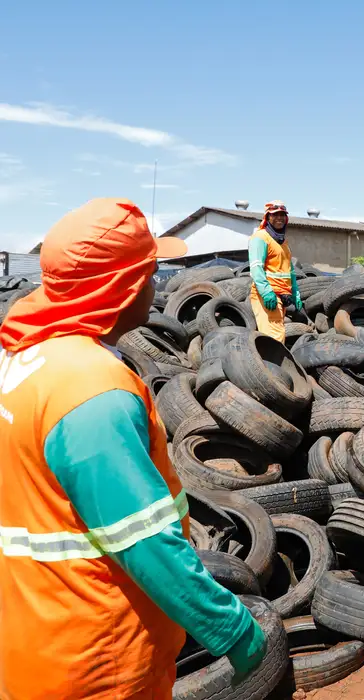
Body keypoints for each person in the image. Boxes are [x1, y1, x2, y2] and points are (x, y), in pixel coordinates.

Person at [0, 198, 267, 698]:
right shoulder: (91, 390)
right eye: (148, 272)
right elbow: (141, 539)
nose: (154, 283)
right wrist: (231, 628)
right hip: (101, 657)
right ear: (120, 288)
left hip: (34, 638)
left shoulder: (25, 360)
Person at [249, 200, 302, 341]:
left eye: (282, 214)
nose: (280, 217)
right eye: (275, 214)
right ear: (267, 217)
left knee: (275, 336)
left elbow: (289, 271)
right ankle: (270, 363)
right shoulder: (260, 238)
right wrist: (266, 292)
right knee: (275, 338)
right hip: (268, 296)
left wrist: (295, 293)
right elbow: (256, 267)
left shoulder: (283, 242)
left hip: (282, 296)